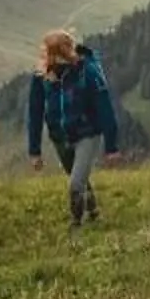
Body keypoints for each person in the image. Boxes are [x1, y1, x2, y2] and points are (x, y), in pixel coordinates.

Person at [26, 29, 122, 230]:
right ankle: (93, 211)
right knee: (79, 177)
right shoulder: (42, 76)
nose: (41, 58)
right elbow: (34, 111)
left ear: (58, 54)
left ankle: (76, 224)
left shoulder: (88, 72)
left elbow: (104, 108)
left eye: (46, 53)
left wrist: (111, 147)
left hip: (87, 133)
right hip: (60, 137)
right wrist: (34, 150)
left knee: (75, 184)